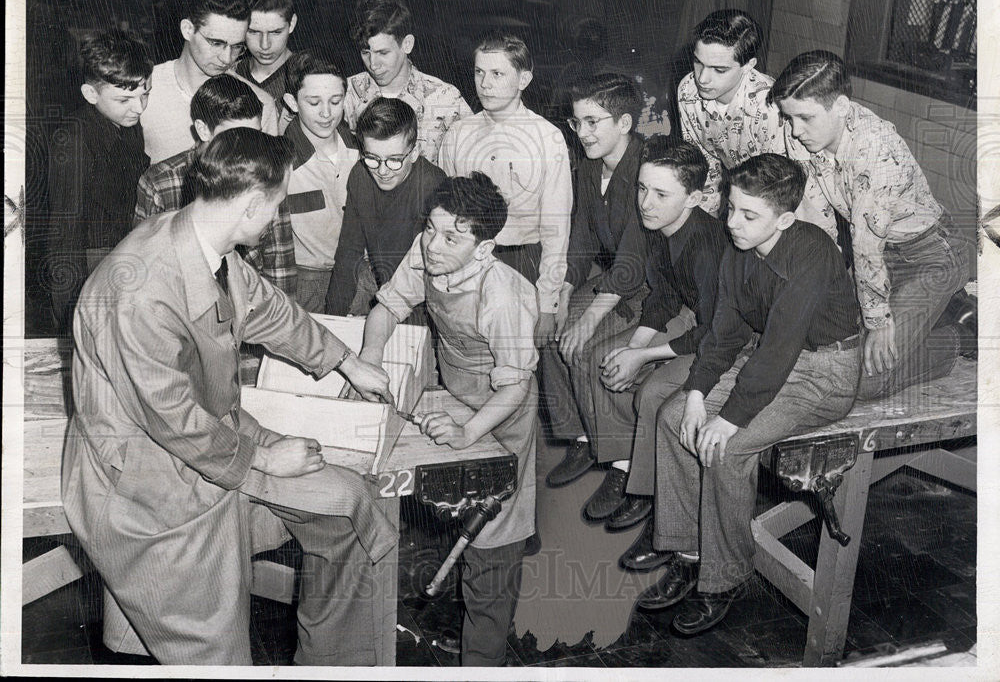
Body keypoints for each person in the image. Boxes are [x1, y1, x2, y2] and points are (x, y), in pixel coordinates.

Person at [62, 127, 397, 665]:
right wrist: (265, 457)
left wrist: (346, 360)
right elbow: (172, 420)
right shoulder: (140, 292)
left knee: (349, 506)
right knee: (217, 655)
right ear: (248, 206)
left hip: (215, 440)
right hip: (155, 485)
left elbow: (264, 306)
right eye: (277, 206)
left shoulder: (199, 237)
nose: (277, 217)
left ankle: (338, 665)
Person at [634, 154, 862, 634]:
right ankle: (689, 551)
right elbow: (724, 333)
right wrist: (697, 392)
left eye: (748, 215)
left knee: (728, 447)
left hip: (825, 370)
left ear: (785, 218)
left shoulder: (812, 252)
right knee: (676, 418)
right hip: (772, 360)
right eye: (730, 209)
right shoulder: (738, 248)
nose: (732, 224)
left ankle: (725, 578)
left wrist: (731, 417)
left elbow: (779, 347)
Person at [359, 172, 538, 666]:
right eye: (431, 229)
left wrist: (466, 434)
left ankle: (484, 659)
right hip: (452, 391)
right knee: (450, 505)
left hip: (501, 415)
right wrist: (369, 360)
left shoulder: (505, 297)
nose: (434, 245)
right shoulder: (428, 251)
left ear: (484, 249)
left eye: (451, 238)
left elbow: (515, 388)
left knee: (492, 536)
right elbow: (387, 306)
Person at [769, 50, 973, 400]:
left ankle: (962, 332)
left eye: (804, 118)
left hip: (931, 258)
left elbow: (865, 246)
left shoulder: (875, 150)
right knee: (823, 345)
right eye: (788, 118)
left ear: (842, 107)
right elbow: (819, 219)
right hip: (879, 259)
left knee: (864, 382)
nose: (794, 131)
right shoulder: (802, 134)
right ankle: (931, 315)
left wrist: (878, 321)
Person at [586, 137, 727, 547]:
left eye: (661, 193)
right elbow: (663, 295)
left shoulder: (707, 244)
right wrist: (634, 349)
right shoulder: (658, 225)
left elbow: (717, 331)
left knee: (652, 394)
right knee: (607, 359)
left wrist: (644, 354)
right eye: (642, 188)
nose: (646, 202)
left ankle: (652, 496)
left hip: (722, 338)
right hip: (692, 317)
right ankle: (629, 467)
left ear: (694, 198)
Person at [541, 74, 648, 521]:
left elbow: (635, 257)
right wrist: (564, 292)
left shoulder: (646, 168)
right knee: (548, 330)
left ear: (623, 122)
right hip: (612, 276)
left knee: (588, 348)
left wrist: (586, 319)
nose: (581, 133)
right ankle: (583, 438)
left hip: (650, 285)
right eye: (576, 122)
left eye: (592, 122)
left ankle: (623, 466)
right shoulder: (589, 164)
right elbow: (582, 235)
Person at [440, 30, 572, 347]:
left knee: (518, 362)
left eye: (498, 74)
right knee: (469, 356)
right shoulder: (458, 134)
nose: (485, 84)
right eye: (479, 72)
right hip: (467, 262)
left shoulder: (547, 138)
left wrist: (548, 302)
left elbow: (557, 227)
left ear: (523, 79)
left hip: (522, 262)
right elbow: (443, 211)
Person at [677, 9, 836, 240]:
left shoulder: (769, 108)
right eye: (698, 62)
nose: (702, 78)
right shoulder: (687, 90)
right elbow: (704, 165)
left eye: (719, 70)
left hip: (798, 195)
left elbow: (783, 186)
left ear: (748, 65)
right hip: (744, 194)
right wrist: (704, 228)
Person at [133, 74, 297, 296]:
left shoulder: (270, 176)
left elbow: (281, 273)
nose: (249, 149)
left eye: (255, 134)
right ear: (203, 129)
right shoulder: (159, 182)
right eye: (235, 137)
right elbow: (145, 269)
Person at [47, 30, 152, 333]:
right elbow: (64, 237)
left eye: (145, 94)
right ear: (90, 94)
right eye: (125, 98)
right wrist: (71, 317)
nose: (139, 107)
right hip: (89, 270)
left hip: (125, 258)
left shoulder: (127, 121)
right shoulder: (73, 139)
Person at [325, 97, 446, 316]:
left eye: (394, 160)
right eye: (372, 158)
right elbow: (348, 253)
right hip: (383, 287)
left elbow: (429, 276)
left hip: (423, 302)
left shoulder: (432, 186)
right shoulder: (360, 176)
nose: (382, 171)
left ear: (415, 151)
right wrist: (333, 319)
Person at [140, 0, 279, 163]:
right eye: (216, 43)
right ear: (188, 29)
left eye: (237, 46)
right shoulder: (142, 93)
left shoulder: (260, 105)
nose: (227, 58)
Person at [344, 0, 472, 165]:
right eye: (366, 53)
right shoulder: (346, 94)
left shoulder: (446, 99)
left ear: (407, 44)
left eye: (383, 53)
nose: (373, 65)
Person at [281, 49, 360, 312]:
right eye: (314, 103)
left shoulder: (363, 151)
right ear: (292, 102)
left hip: (358, 275)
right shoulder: (279, 162)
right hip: (305, 281)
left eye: (335, 101)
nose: (326, 113)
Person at [234, 0, 297, 118]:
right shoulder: (229, 73)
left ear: (291, 24)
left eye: (275, 32)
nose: (264, 45)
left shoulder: (308, 78)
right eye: (253, 32)